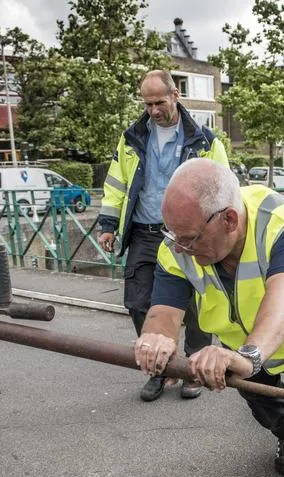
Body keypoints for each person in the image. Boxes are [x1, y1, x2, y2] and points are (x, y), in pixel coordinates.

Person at [133, 158, 284, 477]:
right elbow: (164, 310)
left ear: (229, 220)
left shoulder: (283, 221)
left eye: (189, 239)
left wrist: (251, 355)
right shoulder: (178, 244)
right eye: (173, 236)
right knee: (267, 412)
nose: (179, 248)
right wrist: (156, 336)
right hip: (238, 348)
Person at [99, 70, 229, 402]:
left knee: (198, 302)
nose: (153, 110)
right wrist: (108, 225)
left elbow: (224, 187)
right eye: (147, 103)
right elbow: (115, 185)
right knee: (138, 302)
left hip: (187, 233)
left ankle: (195, 368)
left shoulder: (205, 140)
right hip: (145, 231)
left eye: (159, 102)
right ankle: (161, 368)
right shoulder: (131, 138)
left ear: (175, 96)